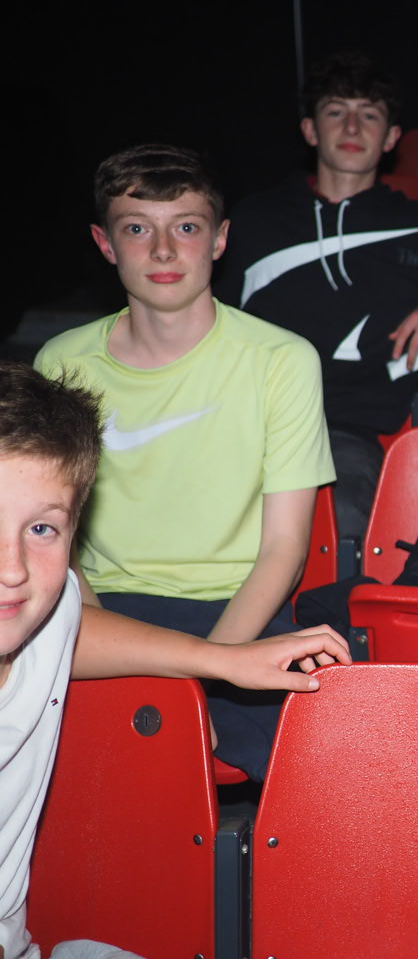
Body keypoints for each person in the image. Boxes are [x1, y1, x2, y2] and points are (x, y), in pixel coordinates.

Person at [0, 361, 351, 959]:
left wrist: (222, 660)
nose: (13, 568)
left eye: (41, 529)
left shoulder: (49, 613)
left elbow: (75, 631)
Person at [36, 143, 335, 781]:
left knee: (328, 760)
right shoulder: (62, 363)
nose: (164, 251)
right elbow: (55, 539)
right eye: (137, 229)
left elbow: (284, 549)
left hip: (236, 609)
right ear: (105, 243)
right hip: (104, 612)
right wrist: (110, 638)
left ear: (220, 240)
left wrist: (206, 671)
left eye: (187, 228)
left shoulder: (282, 360)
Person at [214, 50, 418, 538]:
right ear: (310, 130)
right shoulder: (255, 220)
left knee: (341, 518)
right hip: (246, 424)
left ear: (391, 137)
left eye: (369, 115)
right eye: (335, 112)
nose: (351, 127)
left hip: (345, 433)